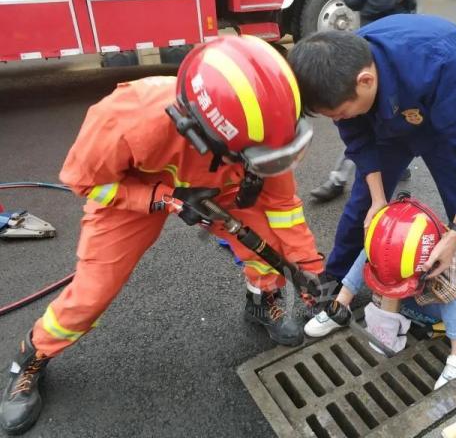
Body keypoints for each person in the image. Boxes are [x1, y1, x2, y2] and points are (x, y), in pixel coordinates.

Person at [0, 36, 324, 435]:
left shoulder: (263, 131)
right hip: (135, 192)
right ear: (201, 133)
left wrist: (310, 268)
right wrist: (161, 199)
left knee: (268, 246)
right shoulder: (126, 118)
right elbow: (86, 184)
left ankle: (263, 300)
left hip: (222, 181)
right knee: (91, 294)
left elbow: (284, 207)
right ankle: (31, 356)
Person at [287, 14, 456, 358]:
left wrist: (454, 234)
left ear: (365, 80)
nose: (340, 120)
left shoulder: (439, 64)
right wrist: (379, 200)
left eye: (341, 112)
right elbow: (358, 139)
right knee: (363, 207)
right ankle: (336, 281)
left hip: (444, 116)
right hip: (387, 117)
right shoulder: (343, 76)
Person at [304, 195, 456, 389]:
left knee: (454, 293)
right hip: (407, 301)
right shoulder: (396, 257)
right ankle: (340, 305)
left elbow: (455, 296)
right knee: (373, 253)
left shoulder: (444, 270)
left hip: (436, 316)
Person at [310, 0, 416, 202]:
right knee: (355, 118)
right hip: (364, 41)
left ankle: (395, 159)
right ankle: (340, 177)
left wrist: (369, 0)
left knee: (387, 117)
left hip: (395, 40)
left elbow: (380, 0)